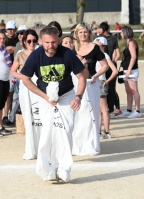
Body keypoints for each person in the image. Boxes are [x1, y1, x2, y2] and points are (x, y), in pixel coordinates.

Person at [21, 26, 86, 182]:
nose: (51, 46)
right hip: (46, 98)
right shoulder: (36, 56)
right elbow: (25, 79)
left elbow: (82, 77)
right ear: (41, 41)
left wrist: (78, 97)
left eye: (54, 42)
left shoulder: (67, 53)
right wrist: (45, 97)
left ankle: (64, 169)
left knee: (65, 130)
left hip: (66, 95)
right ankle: (48, 170)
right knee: (47, 133)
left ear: (58, 39)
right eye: (47, 43)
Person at [71, 22, 108, 156]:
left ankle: (92, 145)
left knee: (91, 115)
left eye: (85, 32)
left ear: (89, 33)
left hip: (90, 85)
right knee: (77, 115)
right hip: (76, 84)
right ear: (77, 34)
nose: (83, 34)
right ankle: (77, 146)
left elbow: (105, 66)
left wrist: (96, 76)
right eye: (80, 32)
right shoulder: (73, 48)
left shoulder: (95, 48)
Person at [10, 29, 41, 160]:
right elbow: (13, 71)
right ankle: (31, 149)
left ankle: (42, 147)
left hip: (39, 86)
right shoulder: (20, 54)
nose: (32, 43)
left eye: (34, 40)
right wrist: (23, 77)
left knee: (40, 117)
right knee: (28, 117)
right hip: (25, 88)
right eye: (29, 41)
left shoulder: (41, 53)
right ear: (24, 42)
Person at [93, 37, 118, 139]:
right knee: (99, 110)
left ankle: (107, 132)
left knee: (104, 109)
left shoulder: (105, 55)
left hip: (100, 81)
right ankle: (99, 132)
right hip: (95, 82)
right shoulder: (97, 55)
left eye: (98, 45)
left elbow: (115, 71)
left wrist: (106, 81)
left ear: (102, 45)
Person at [98, 22, 121, 118]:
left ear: (103, 30)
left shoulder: (100, 40)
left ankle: (111, 109)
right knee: (109, 88)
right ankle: (111, 108)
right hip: (108, 65)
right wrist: (112, 62)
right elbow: (118, 54)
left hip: (106, 65)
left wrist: (110, 62)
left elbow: (118, 53)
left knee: (108, 88)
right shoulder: (112, 38)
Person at [118, 26, 141, 119]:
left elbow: (133, 56)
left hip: (131, 70)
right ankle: (128, 110)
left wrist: (129, 70)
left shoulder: (131, 42)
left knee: (134, 90)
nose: (120, 34)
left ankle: (137, 110)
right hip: (126, 69)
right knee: (128, 91)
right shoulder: (128, 42)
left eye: (121, 32)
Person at [3, 20, 19, 126]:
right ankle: (5, 115)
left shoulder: (19, 39)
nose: (10, 32)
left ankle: (14, 115)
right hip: (7, 69)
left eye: (12, 29)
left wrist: (13, 49)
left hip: (17, 69)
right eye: (9, 29)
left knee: (16, 94)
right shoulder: (4, 40)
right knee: (8, 93)